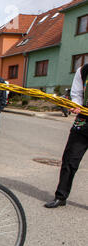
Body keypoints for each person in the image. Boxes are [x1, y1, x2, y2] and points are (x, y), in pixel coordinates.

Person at [45, 64, 88, 209]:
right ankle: (61, 196)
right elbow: (77, 94)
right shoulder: (83, 70)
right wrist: (76, 104)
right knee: (70, 159)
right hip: (83, 121)